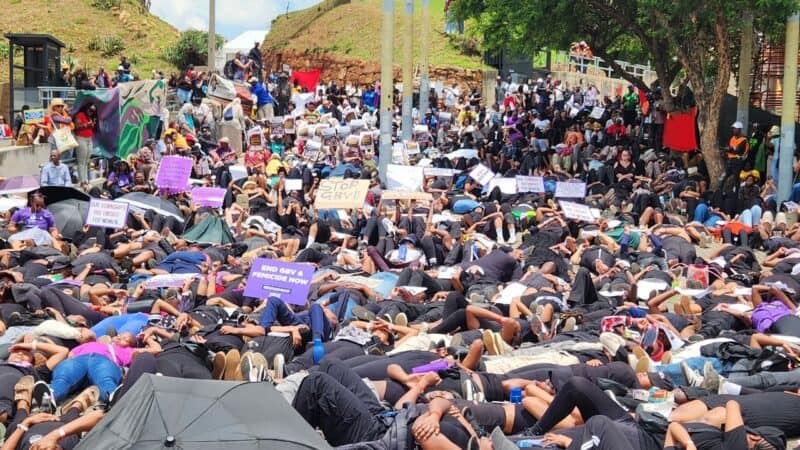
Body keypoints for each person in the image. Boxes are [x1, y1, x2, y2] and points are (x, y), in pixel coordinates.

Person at [73, 103, 97, 184]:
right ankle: (82, 181)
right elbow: (76, 126)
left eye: (93, 111)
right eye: (90, 110)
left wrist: (92, 124)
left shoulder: (90, 117)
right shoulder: (80, 114)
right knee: (81, 161)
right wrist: (87, 124)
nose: (91, 112)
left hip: (89, 139)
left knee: (87, 161)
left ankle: (86, 180)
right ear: (86, 109)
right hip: (81, 138)